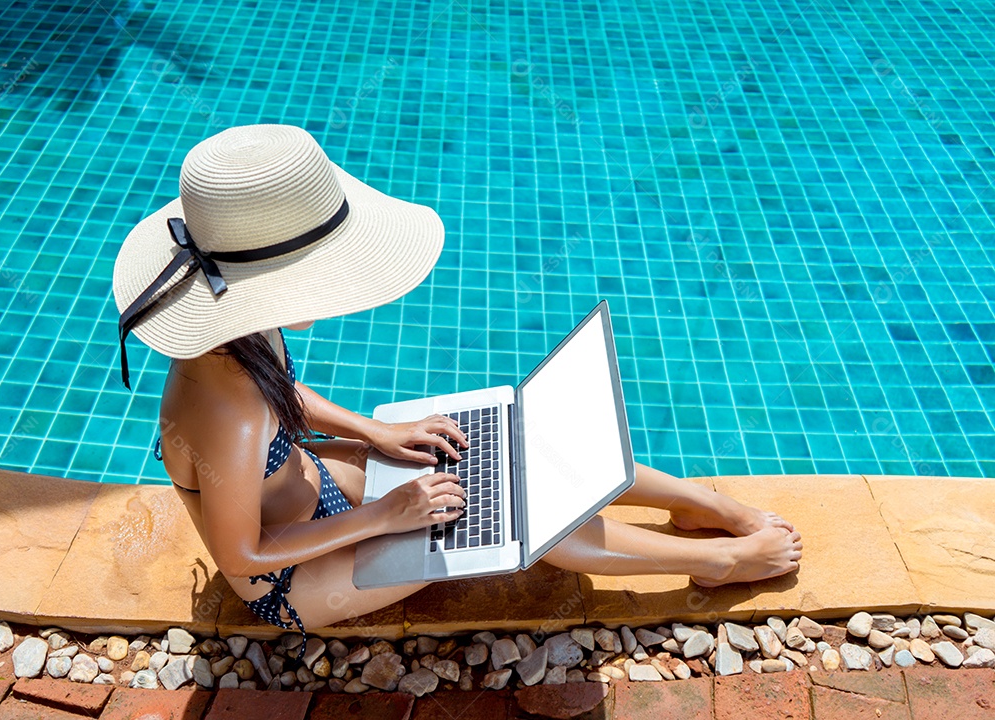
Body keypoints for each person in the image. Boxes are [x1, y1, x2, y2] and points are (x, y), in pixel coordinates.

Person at [113, 124, 802, 660]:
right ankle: (718, 560)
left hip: (317, 485)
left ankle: (701, 505)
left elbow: (283, 394)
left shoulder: (235, 333)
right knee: (512, 519)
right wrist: (389, 517)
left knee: (503, 444)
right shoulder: (226, 413)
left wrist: (375, 433)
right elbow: (242, 555)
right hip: (295, 578)